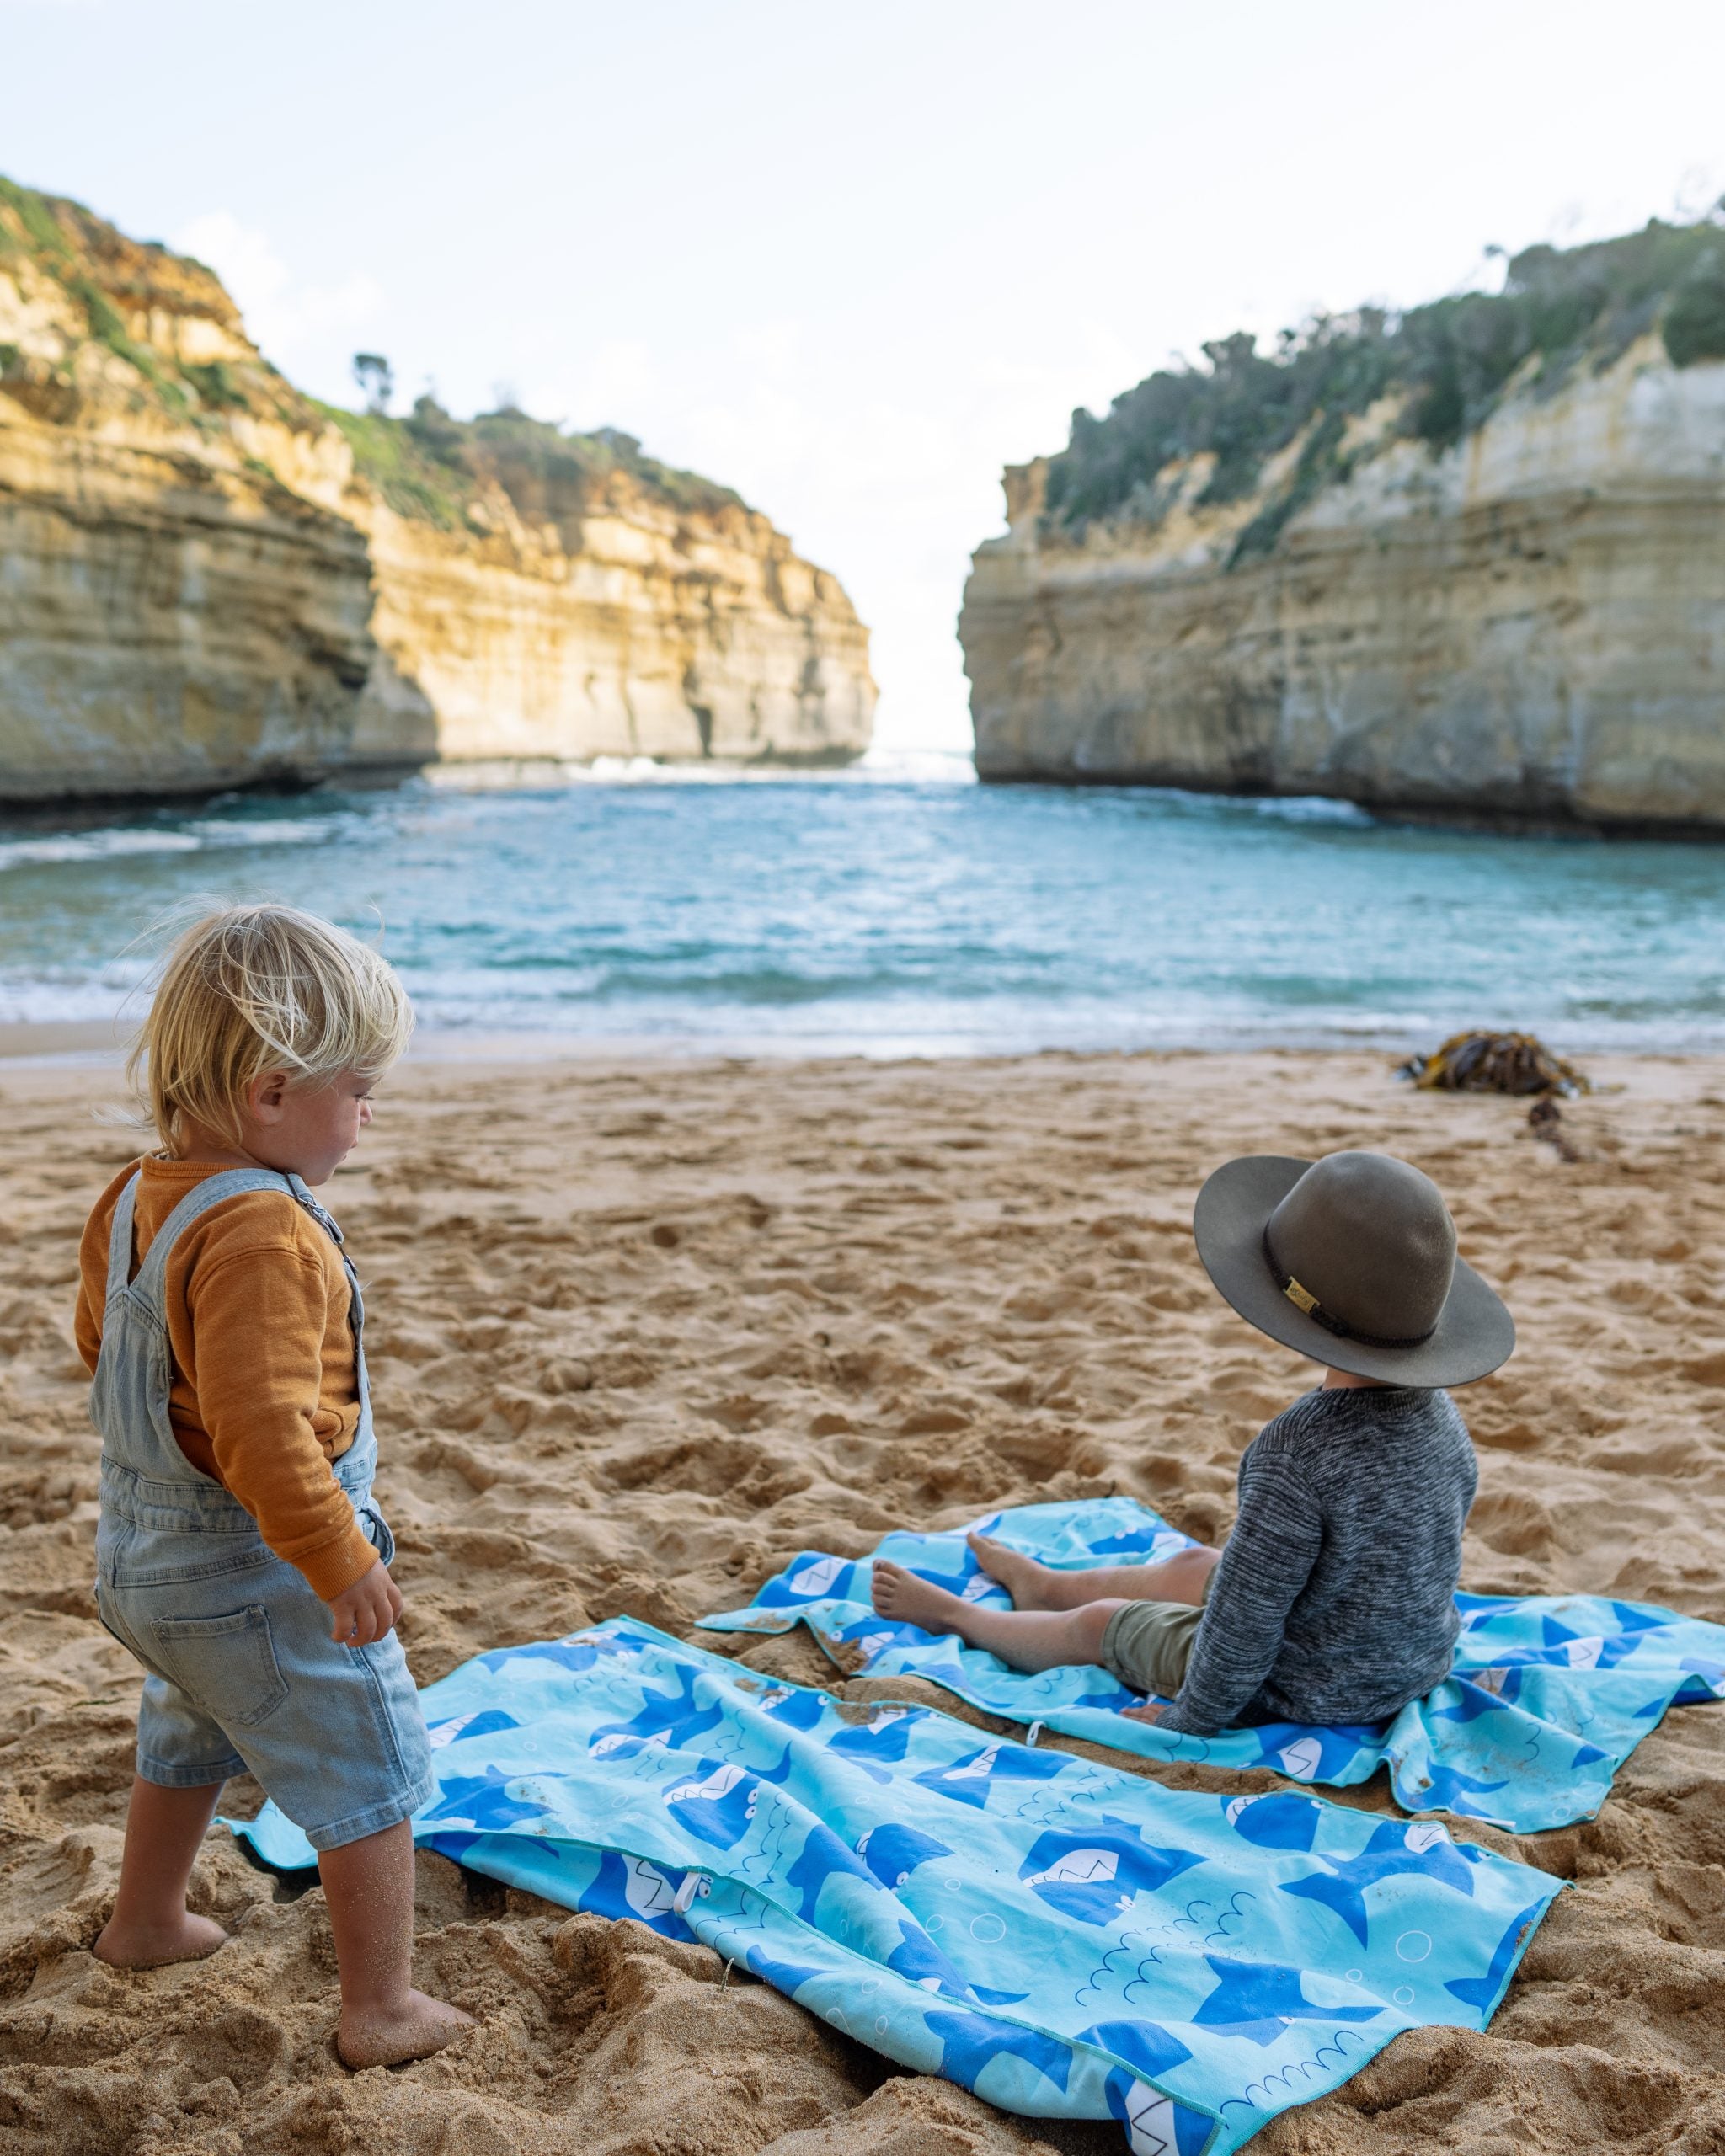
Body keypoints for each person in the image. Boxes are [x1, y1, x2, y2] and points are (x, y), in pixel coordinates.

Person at [76, 904, 472, 2068]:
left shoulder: (138, 1195)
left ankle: (147, 1922)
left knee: (190, 1721)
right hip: (252, 1561)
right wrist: (338, 1556)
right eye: (356, 1091)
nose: (367, 1114)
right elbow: (259, 1429)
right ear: (270, 1093)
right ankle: (382, 2007)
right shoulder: (262, 1231)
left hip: (146, 1560)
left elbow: (102, 1344)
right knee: (372, 1760)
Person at [872, 1150, 1515, 1737]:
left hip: (1308, 1687)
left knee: (1105, 1625)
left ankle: (962, 1619)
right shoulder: (1443, 1416)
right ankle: (1044, 1586)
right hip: (1409, 1660)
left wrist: (1193, 1716)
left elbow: (1246, 1625)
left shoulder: (1296, 1452)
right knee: (1192, 1569)